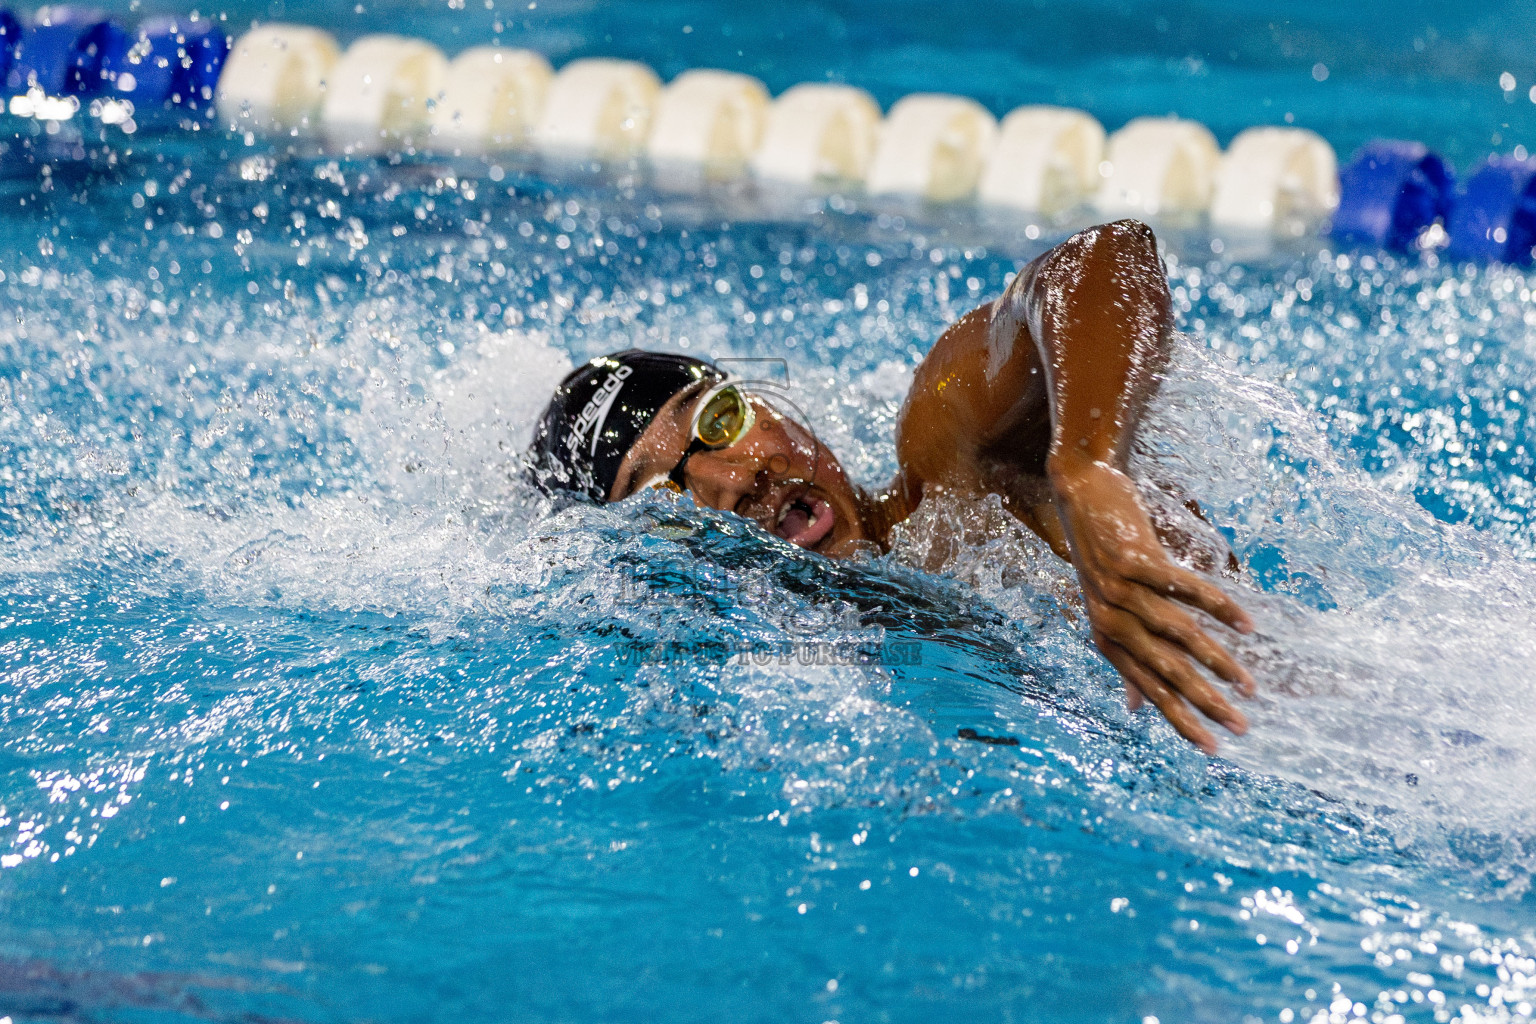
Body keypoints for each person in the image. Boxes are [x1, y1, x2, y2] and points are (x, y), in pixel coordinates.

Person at [527, 219, 1256, 754]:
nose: (734, 480)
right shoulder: (788, 696)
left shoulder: (953, 469)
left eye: (718, 420)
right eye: (662, 492)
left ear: (771, 406)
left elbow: (1102, 258)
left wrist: (1086, 467)